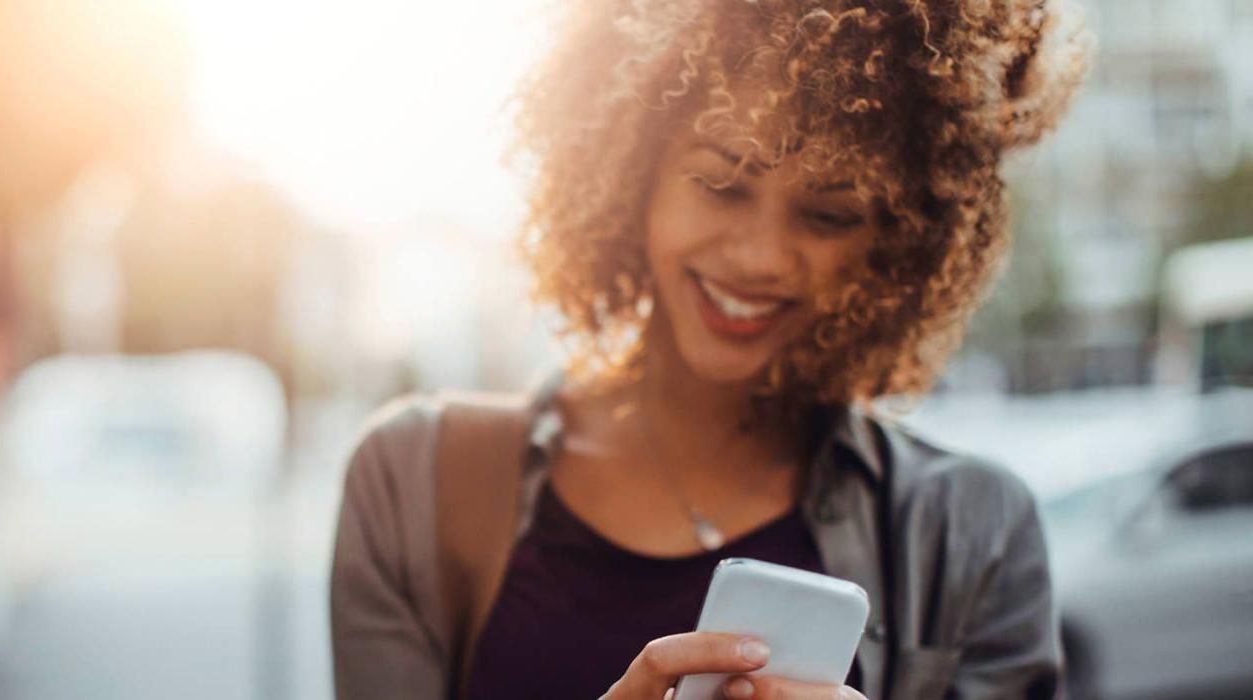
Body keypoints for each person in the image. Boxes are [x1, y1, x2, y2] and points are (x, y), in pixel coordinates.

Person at [329, 0, 1090, 698]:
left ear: (897, 245)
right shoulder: (415, 482)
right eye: (722, 185)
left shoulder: (976, 533)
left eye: (828, 215)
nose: (761, 256)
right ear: (630, 173)